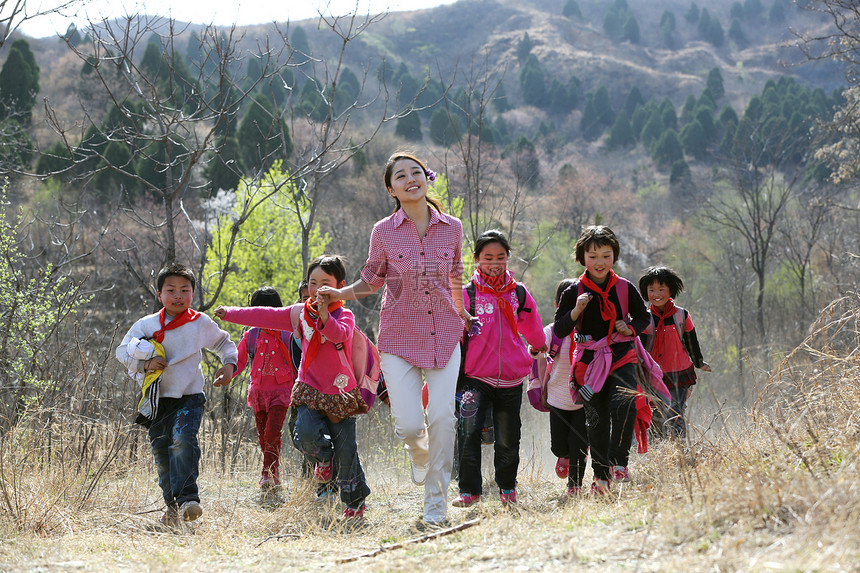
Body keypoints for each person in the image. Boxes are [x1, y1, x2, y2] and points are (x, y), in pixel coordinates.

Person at [317, 151, 467, 528]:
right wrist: (338, 295)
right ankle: (419, 454)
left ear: (426, 178)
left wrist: (462, 312)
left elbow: (456, 274)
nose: (411, 179)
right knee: (410, 425)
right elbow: (371, 280)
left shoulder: (452, 227)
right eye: (401, 175)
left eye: (416, 172)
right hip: (398, 335)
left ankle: (436, 503)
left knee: (444, 418)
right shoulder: (383, 231)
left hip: (445, 333)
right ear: (391, 188)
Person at [215, 255, 371, 519]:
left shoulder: (345, 315)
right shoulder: (299, 313)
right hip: (309, 389)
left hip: (341, 392)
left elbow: (338, 335)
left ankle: (355, 502)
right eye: (313, 282)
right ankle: (323, 459)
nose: (318, 288)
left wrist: (324, 315)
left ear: (340, 286)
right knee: (304, 434)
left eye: (325, 283)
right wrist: (229, 312)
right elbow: (265, 315)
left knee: (346, 450)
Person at [116, 262, 238, 527]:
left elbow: (224, 344)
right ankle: (171, 508)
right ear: (159, 294)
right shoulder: (146, 324)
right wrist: (145, 364)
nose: (178, 295)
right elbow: (122, 352)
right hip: (157, 400)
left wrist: (229, 366)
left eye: (185, 289)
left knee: (183, 440)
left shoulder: (200, 323)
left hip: (190, 396)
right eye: (171, 290)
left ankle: (188, 500)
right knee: (162, 453)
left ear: (193, 293)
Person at [553, 225, 651, 495]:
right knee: (595, 419)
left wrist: (629, 329)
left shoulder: (624, 287)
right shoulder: (573, 291)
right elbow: (560, 329)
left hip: (622, 355)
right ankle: (601, 477)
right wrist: (576, 311)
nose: (600, 262)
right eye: (593, 256)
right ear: (582, 257)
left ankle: (619, 461)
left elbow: (644, 317)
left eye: (606, 256)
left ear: (615, 257)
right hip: (588, 363)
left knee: (624, 402)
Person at [452, 230, 546, 508]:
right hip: (474, 378)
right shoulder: (467, 294)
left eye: (500, 257)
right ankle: (469, 491)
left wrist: (539, 345)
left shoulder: (518, 293)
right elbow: (455, 333)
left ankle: (507, 488)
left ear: (508, 258)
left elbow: (533, 328)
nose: (494, 262)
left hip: (510, 379)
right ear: (477, 259)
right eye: (488, 257)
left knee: (508, 437)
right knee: (467, 432)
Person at [228, 286, 294, 491]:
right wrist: (227, 373)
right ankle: (274, 471)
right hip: (258, 392)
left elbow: (298, 357)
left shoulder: (287, 334)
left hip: (282, 391)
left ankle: (268, 474)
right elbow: (238, 360)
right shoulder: (251, 335)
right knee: (263, 435)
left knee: (272, 432)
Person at [638, 266, 711, 439]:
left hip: (679, 372)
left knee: (676, 410)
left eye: (661, 289)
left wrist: (699, 362)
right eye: (652, 290)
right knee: (656, 413)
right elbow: (639, 347)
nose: (657, 294)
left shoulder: (682, 315)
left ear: (670, 290)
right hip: (653, 375)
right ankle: (659, 452)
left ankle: (679, 451)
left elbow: (691, 340)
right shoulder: (645, 319)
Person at [533, 278, 590, 496]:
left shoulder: (590, 331)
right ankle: (563, 455)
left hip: (584, 398)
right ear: (558, 304)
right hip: (557, 398)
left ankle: (574, 486)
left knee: (579, 445)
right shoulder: (554, 331)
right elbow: (539, 346)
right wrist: (534, 348)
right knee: (559, 445)